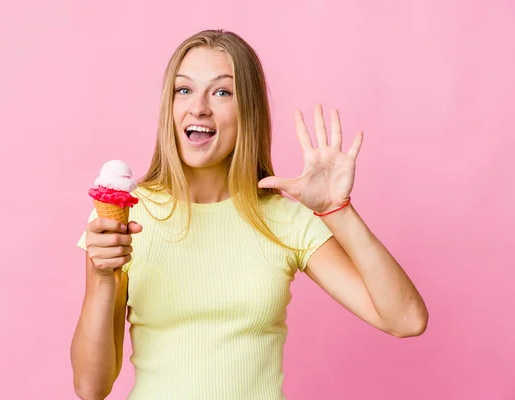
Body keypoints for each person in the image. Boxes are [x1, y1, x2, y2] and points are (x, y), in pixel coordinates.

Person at [70, 29, 428, 400]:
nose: (199, 108)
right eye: (184, 90)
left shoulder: (283, 221)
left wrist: (337, 210)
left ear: (249, 111)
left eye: (222, 92)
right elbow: (90, 387)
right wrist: (102, 276)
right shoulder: (125, 220)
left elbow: (406, 320)